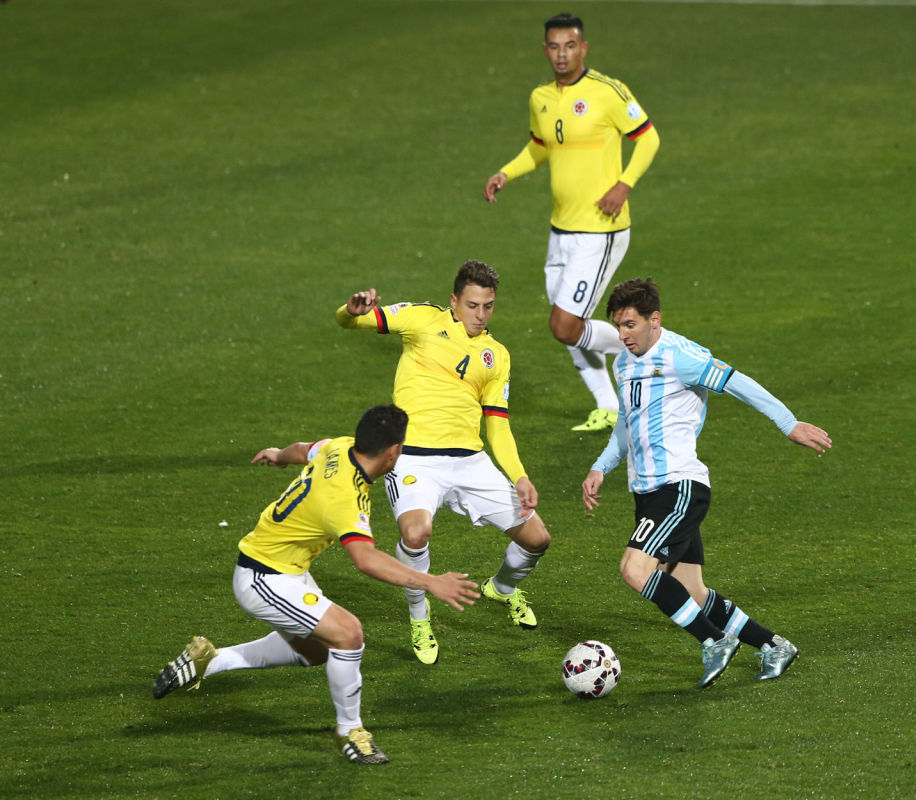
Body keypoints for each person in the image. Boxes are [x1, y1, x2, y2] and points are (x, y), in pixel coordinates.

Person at [152, 405, 479, 765]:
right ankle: (350, 732)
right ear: (392, 453)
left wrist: (278, 455)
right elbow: (365, 559)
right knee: (349, 634)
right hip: (264, 579)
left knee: (317, 651)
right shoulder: (345, 498)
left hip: (281, 568)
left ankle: (209, 662)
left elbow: (303, 448)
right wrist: (430, 582)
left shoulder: (339, 447)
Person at [580, 279, 833, 688]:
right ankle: (773, 645)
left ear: (654, 320)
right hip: (647, 494)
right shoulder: (623, 364)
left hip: (679, 487)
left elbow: (739, 382)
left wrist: (788, 423)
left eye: (630, 325)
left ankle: (714, 641)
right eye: (618, 326)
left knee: (634, 569)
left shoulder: (682, 356)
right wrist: (600, 467)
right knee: (692, 592)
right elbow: (627, 425)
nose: (623, 335)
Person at [336, 260, 550, 667]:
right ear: (454, 301)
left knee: (537, 540)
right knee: (416, 534)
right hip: (415, 458)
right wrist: (352, 310)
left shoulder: (496, 355)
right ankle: (420, 618)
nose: (480, 315)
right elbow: (351, 323)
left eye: (488, 306)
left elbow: (498, 426)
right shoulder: (421, 321)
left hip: (471, 461)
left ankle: (502, 588)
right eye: (472, 305)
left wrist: (519, 476)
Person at [483, 12, 661, 433]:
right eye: (554, 47)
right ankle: (609, 405)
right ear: (546, 50)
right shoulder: (541, 97)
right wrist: (506, 172)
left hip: (600, 229)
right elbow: (539, 147)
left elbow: (648, 137)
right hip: (560, 229)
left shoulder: (607, 91)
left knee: (565, 326)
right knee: (570, 325)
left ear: (583, 48)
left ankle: (647, 345)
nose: (562, 54)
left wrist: (624, 184)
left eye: (570, 45)